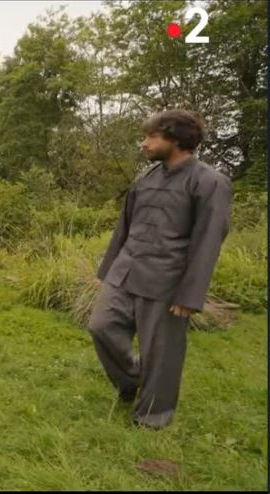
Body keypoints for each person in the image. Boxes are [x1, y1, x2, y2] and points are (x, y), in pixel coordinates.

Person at [87, 110, 232, 429]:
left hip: (168, 281)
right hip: (126, 272)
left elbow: (208, 241)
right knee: (101, 326)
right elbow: (123, 229)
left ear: (176, 138)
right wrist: (106, 272)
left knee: (162, 352)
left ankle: (153, 416)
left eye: (151, 136)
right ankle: (132, 379)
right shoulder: (145, 178)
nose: (144, 143)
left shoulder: (209, 182)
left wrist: (190, 294)